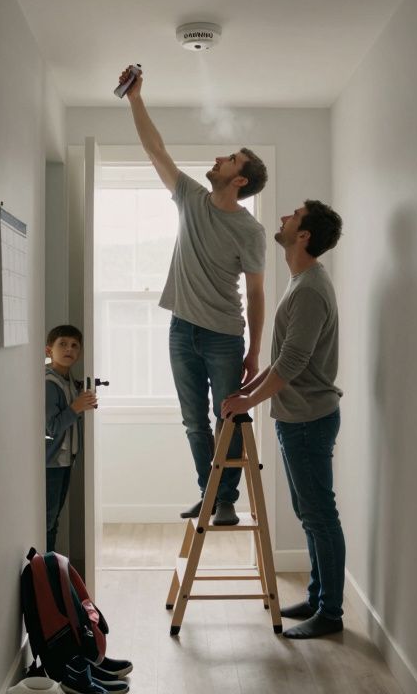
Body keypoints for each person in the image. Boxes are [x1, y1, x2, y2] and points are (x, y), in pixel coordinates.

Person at [118, 65, 269, 527]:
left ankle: (226, 500)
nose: (221, 158)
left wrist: (254, 351)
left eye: (231, 159)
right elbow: (155, 149)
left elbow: (257, 293)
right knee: (192, 421)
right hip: (181, 329)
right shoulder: (190, 197)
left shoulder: (250, 230)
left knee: (227, 420)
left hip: (225, 335)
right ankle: (209, 494)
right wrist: (136, 99)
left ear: (240, 179)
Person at [221, 200, 345, 639]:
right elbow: (287, 360)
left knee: (319, 514)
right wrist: (250, 393)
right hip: (299, 418)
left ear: (305, 234)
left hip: (309, 419)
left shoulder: (309, 288)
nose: (282, 219)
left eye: (291, 215)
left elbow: (292, 361)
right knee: (309, 512)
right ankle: (317, 598)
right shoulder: (303, 282)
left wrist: (246, 400)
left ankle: (330, 613)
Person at [44, 324, 96, 552]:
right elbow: (50, 427)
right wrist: (75, 408)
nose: (69, 349)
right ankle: (44, 569)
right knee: (47, 519)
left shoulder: (67, 381)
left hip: (64, 461)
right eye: (62, 344)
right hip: (50, 462)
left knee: (53, 518)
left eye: (74, 345)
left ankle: (50, 564)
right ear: (49, 351)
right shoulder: (49, 383)